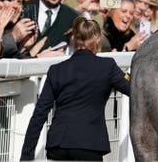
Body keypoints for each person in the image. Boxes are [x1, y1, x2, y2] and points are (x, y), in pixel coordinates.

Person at [20, 16, 130, 161]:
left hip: (59, 145)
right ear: (97, 40)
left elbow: (39, 115)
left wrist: (26, 156)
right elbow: (132, 89)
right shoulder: (108, 66)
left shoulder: (56, 70)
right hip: (90, 145)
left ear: (73, 40)